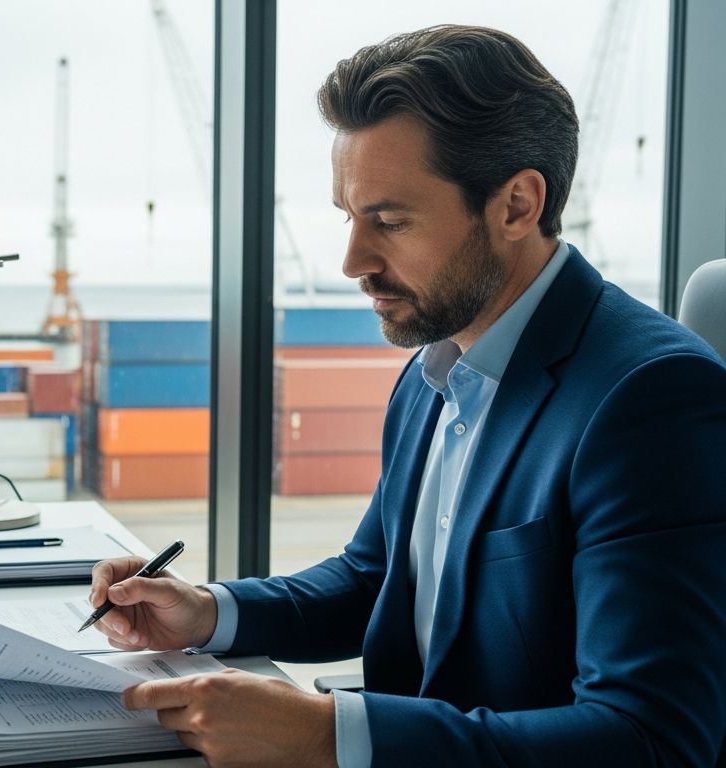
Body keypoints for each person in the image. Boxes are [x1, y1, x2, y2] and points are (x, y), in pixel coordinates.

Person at [89, 24, 726, 767]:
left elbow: (652, 740)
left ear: (517, 205)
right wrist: (208, 612)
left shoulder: (651, 400)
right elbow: (378, 577)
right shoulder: (439, 362)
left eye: (388, 220)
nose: (353, 260)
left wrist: (330, 736)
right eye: (348, 216)